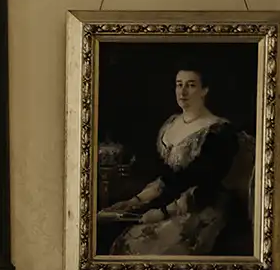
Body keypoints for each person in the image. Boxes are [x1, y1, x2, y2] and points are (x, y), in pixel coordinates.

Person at [99, 64, 253, 256]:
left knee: (139, 244)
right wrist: (134, 201)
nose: (183, 92)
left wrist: (163, 212)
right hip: (169, 198)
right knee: (111, 229)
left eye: (191, 85)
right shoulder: (171, 124)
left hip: (203, 205)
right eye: (179, 85)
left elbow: (206, 184)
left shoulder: (219, 131)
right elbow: (167, 177)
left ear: (204, 90)